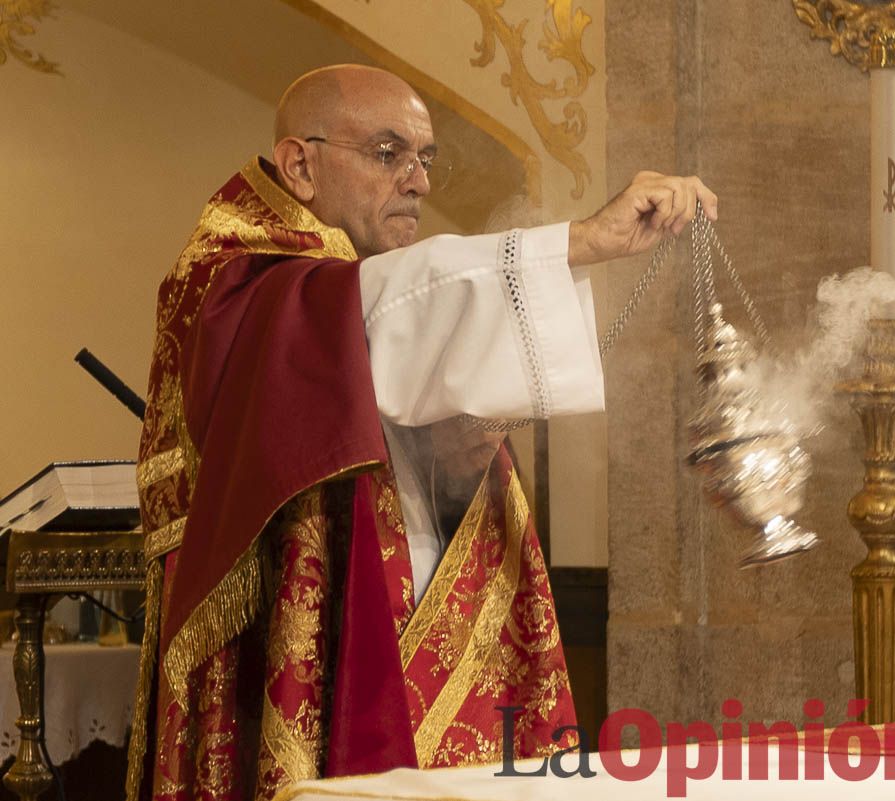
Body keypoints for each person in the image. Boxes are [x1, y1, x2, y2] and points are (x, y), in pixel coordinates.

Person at [126, 64, 717, 801]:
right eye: (388, 153)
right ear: (300, 165)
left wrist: (455, 460)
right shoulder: (236, 280)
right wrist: (585, 239)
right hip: (299, 641)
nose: (419, 182)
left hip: (418, 626)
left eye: (426, 158)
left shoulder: (361, 281)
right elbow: (356, 312)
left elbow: (398, 381)